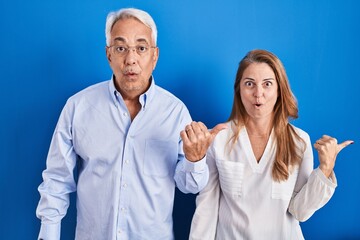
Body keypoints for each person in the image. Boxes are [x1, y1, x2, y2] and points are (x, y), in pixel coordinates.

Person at [36, 8, 226, 240]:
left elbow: (190, 186)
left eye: (141, 48)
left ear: (154, 56)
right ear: (109, 55)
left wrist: (194, 159)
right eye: (121, 48)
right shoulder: (78, 107)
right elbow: (57, 179)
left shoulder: (175, 112)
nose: (131, 59)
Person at [189, 49, 353, 240]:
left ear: (279, 89)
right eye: (249, 84)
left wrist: (325, 168)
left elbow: (300, 211)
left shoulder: (299, 141)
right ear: (239, 90)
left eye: (267, 84)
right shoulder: (219, 138)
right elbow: (206, 208)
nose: (258, 93)